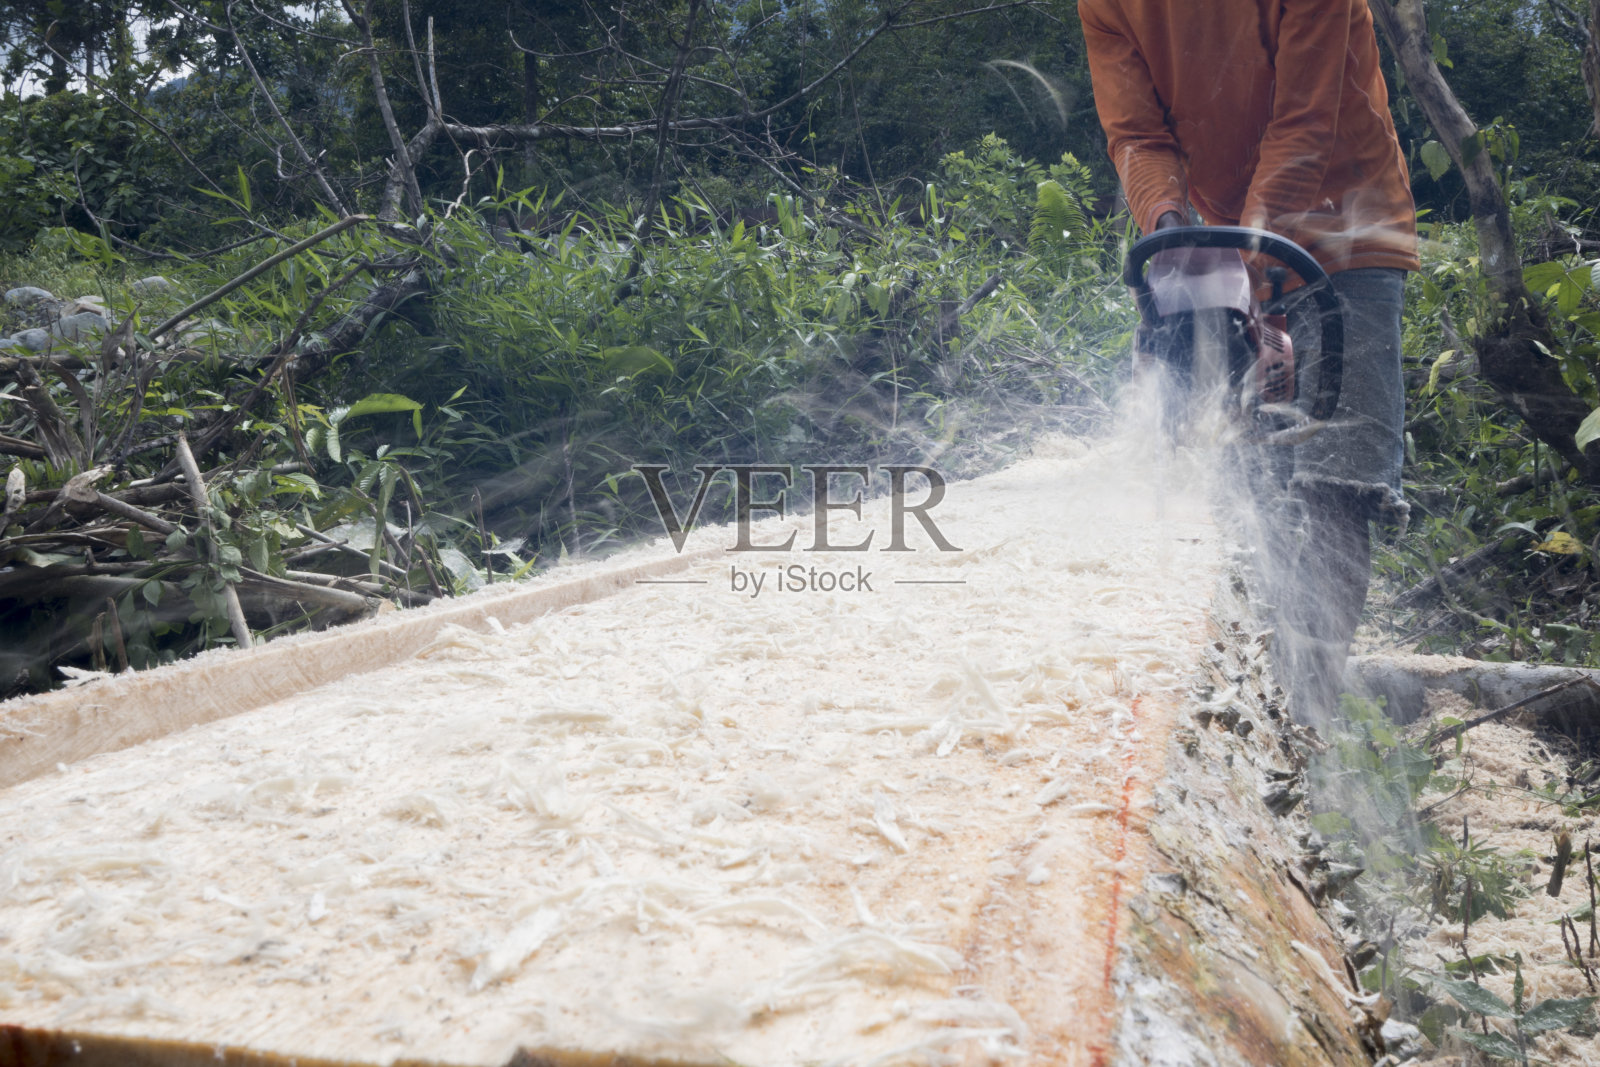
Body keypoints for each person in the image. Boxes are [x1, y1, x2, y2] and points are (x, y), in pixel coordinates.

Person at [1077, 0, 1421, 728]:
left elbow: (1302, 122)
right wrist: (1172, 230)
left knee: (1334, 483)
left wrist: (1255, 268)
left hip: (1347, 226)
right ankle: (1241, 709)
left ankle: (1309, 720)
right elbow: (1137, 134)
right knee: (1237, 481)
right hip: (1230, 231)